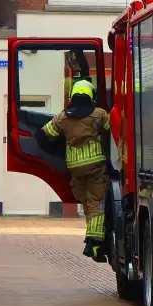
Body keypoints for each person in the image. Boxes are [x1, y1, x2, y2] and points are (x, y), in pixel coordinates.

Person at [39, 79, 111, 262]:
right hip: (95, 165)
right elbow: (115, 131)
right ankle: (94, 243)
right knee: (96, 202)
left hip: (74, 167)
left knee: (87, 202)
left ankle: (94, 239)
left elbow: (44, 135)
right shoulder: (99, 114)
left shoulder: (63, 117)